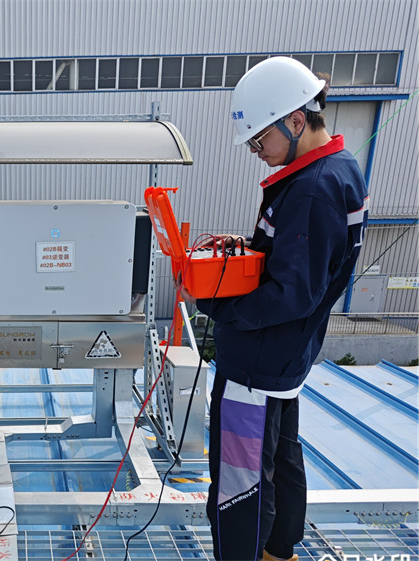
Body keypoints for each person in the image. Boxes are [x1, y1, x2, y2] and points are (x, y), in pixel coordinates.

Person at [178, 57, 368, 561]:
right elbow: (304, 260)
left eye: (260, 140)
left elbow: (292, 291)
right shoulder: (336, 170)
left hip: (257, 365)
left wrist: (215, 307)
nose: (258, 153)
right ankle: (280, 550)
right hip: (286, 359)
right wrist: (248, 244)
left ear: (296, 121)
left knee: (240, 479)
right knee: (281, 456)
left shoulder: (310, 188)